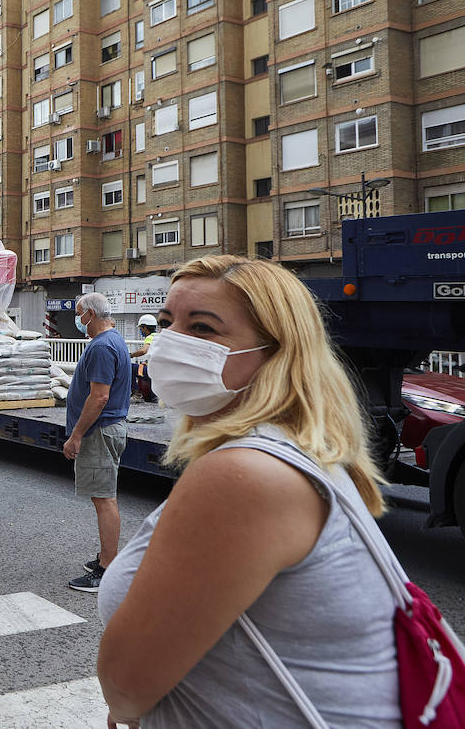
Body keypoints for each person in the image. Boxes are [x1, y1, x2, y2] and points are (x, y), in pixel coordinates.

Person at [97, 256, 397, 727]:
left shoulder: (246, 474)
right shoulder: (289, 454)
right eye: (166, 323)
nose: (172, 341)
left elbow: (127, 682)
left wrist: (125, 703)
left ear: (275, 353)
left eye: (203, 328)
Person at [62, 291, 131, 592]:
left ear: (90, 314)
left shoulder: (102, 347)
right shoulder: (112, 340)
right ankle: (106, 557)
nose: (77, 319)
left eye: (79, 313)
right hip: (106, 429)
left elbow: (99, 396)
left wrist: (76, 436)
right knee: (103, 497)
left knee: (104, 499)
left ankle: (107, 569)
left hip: (100, 431)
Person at [129, 313, 158, 403]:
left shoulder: (150, 337)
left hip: (152, 371)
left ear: (145, 327)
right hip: (160, 369)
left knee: (129, 367)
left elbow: (143, 351)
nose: (141, 331)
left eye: (141, 328)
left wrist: (130, 355)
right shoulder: (159, 336)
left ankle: (136, 393)